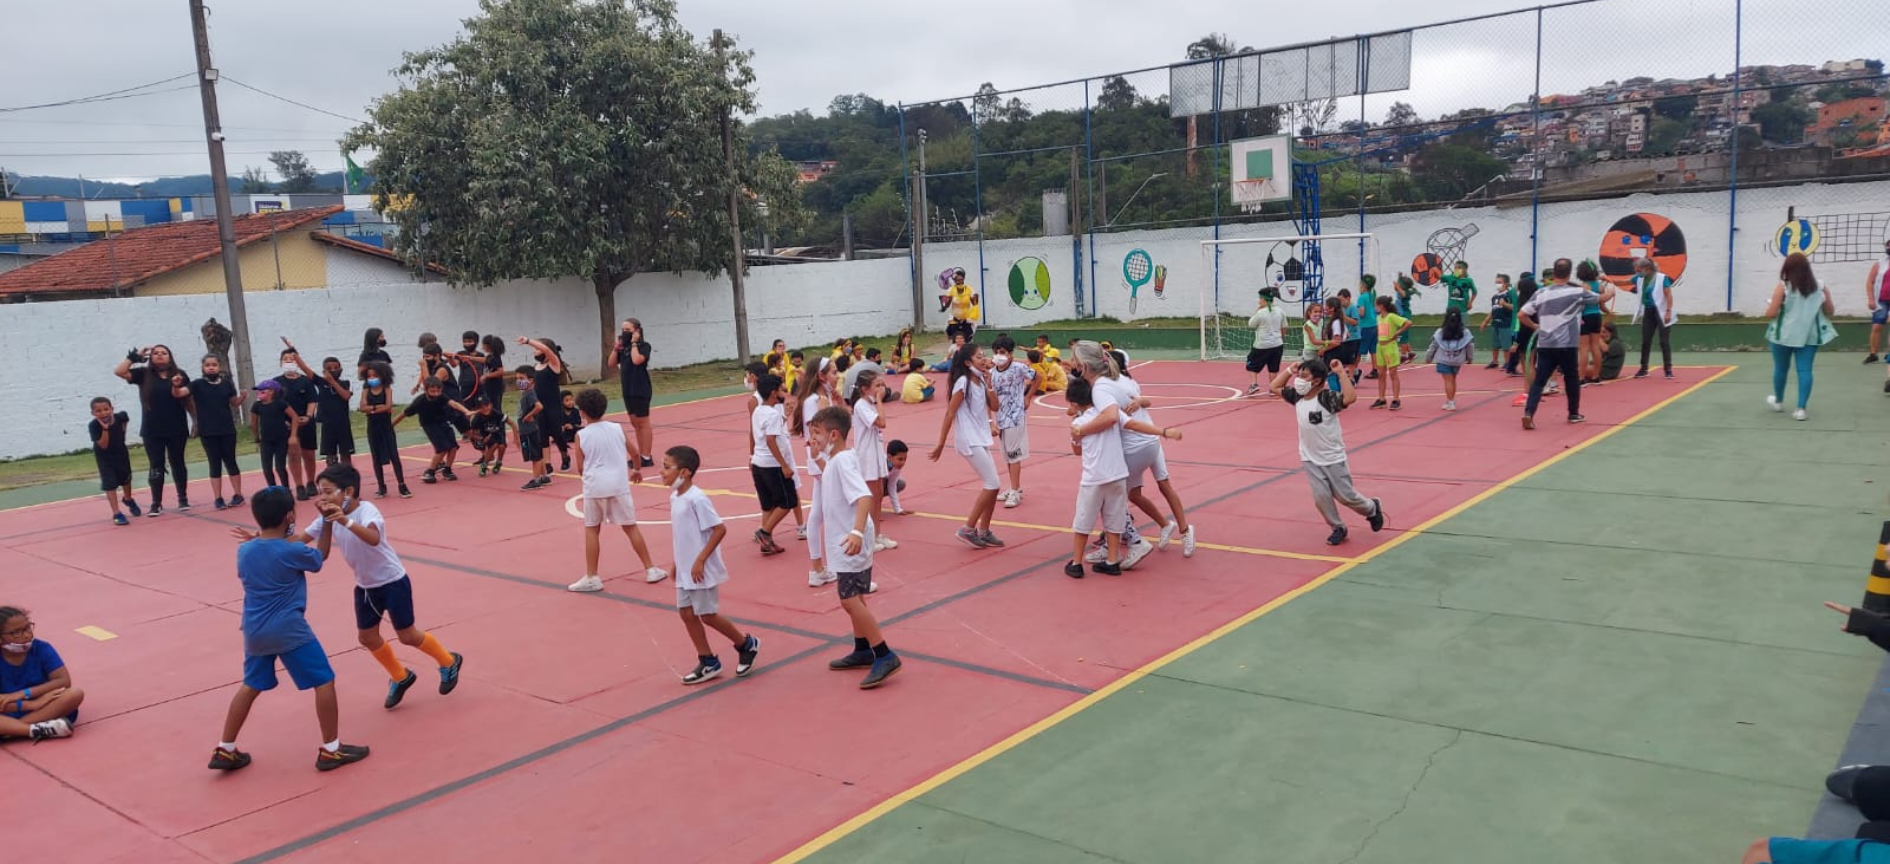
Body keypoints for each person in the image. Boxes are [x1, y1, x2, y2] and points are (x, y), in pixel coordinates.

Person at [210, 487, 369, 772]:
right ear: (290, 516)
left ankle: (226, 748)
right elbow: (319, 558)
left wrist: (260, 539)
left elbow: (269, 550)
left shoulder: (245, 550)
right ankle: (331, 749)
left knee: (250, 685)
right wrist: (328, 524)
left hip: (254, 629)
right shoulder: (292, 550)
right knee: (324, 681)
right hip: (288, 628)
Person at [300, 464, 464, 710]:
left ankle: (448, 660)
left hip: (392, 581)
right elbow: (301, 539)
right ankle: (400, 676)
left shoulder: (367, 510)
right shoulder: (327, 517)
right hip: (365, 586)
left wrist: (344, 521)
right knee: (367, 637)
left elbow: (374, 538)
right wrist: (266, 539)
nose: (322, 498)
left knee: (407, 636)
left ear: (349, 491)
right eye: (319, 492)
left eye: (327, 491)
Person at [810, 406, 901, 689]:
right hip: (847, 537)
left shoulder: (842, 462)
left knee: (849, 599)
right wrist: (818, 458)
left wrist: (857, 533)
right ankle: (862, 648)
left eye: (816, 434)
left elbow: (863, 498)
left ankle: (884, 654)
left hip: (851, 539)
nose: (811, 438)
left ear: (833, 435)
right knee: (856, 596)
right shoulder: (837, 459)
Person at [663, 446, 761, 685]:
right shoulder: (675, 497)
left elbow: (719, 529)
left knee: (707, 615)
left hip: (699, 570)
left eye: (667, 467)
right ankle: (708, 660)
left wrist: (700, 560)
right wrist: (678, 562)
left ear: (684, 472)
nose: (662, 472)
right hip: (686, 569)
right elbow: (682, 535)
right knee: (686, 613)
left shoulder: (697, 498)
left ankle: (746, 644)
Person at [1270, 359, 1386, 546]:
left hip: (1332, 458)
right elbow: (1274, 386)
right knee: (1321, 498)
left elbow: (1349, 398)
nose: (1299, 379)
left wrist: (1341, 373)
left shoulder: (1326, 398)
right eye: (1299, 375)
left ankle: (1372, 508)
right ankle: (1337, 527)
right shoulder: (1298, 396)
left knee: (1345, 496)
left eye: (1304, 375)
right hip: (1310, 458)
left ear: (1316, 381)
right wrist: (1289, 370)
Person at [567, 388, 668, 592]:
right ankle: (650, 569)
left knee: (592, 529)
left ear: (583, 412)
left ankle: (592, 577)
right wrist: (636, 470)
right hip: (618, 484)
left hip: (595, 485)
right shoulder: (616, 428)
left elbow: (580, 466)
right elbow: (635, 453)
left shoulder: (581, 435)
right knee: (630, 527)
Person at [928, 341, 1004, 549]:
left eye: (983, 356)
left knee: (994, 486)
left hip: (980, 437)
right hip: (969, 439)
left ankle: (984, 530)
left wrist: (990, 384)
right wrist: (940, 443)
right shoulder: (963, 382)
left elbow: (994, 406)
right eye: (979, 357)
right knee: (992, 484)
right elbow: (950, 413)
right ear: (968, 361)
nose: (984, 360)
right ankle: (968, 529)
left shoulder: (981, 379)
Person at [112, 344, 192, 515]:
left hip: (176, 427)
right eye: (156, 353)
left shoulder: (180, 374)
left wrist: (196, 420)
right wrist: (134, 357)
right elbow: (119, 371)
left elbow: (188, 399)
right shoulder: (143, 374)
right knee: (156, 465)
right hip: (152, 429)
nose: (160, 356)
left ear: (170, 357)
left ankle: (183, 498)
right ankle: (156, 502)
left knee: (177, 461)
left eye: (164, 353)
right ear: (151, 357)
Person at [1063, 377, 1127, 579]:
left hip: (1094, 477)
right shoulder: (1108, 414)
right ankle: (1112, 560)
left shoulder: (1079, 423)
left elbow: (1076, 450)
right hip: (1117, 473)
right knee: (1114, 519)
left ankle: (1076, 562)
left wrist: (1075, 427)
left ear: (1074, 403)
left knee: (1083, 520)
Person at [1764, 252, 1838, 421]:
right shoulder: (1820, 286)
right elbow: (1830, 311)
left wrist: (1771, 304)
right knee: (1805, 370)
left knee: (1781, 369)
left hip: (1783, 335)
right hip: (1809, 336)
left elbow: (1771, 313)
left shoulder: (1783, 287)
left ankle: (1778, 401)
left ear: (1787, 268)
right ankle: (1801, 409)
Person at [1519, 258, 1588, 430]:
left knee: (1540, 380)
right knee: (1571, 377)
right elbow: (1599, 296)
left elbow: (1521, 314)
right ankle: (1573, 413)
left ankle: (1529, 413)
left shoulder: (1541, 293)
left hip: (1546, 342)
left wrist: (1536, 326)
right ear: (1569, 273)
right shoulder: (1575, 292)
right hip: (1567, 343)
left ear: (1554, 273)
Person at [0, 605, 84, 741]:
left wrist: (24, 694)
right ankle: (33, 729)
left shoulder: (41, 648)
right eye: (16, 632)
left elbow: (63, 681)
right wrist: (29, 704)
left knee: (75, 694)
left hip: (44, 707)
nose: (26, 635)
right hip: (9, 710)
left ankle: (11, 731)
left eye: (27, 628)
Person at [747, 374, 798, 557]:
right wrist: (784, 465)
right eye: (781, 389)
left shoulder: (759, 412)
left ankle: (766, 542)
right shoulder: (772, 414)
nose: (783, 392)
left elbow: (761, 434)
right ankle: (764, 532)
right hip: (771, 465)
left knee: (768, 504)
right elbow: (770, 440)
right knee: (787, 501)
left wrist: (785, 416)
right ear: (772, 393)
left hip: (759, 463)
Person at [188, 354, 245, 509]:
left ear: (219, 367)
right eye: (208, 365)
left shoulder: (226, 384)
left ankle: (238, 494)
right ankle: (218, 498)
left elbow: (234, 403)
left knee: (231, 461)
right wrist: (175, 384)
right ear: (203, 367)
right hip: (207, 430)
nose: (211, 367)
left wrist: (243, 397)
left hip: (227, 429)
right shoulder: (197, 385)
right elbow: (181, 393)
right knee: (214, 464)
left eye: (214, 364)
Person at [392, 375, 472, 484]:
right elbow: (403, 414)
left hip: (443, 422)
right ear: (425, 390)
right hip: (430, 426)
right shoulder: (419, 401)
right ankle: (430, 472)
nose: (436, 394)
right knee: (442, 448)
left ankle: (447, 470)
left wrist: (466, 411)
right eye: (432, 391)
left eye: (438, 391)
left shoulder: (441, 396)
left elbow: (453, 403)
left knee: (453, 447)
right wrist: (390, 426)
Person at [849, 369, 896, 551]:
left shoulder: (869, 404)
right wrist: (879, 400)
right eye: (877, 386)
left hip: (876, 452)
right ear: (864, 389)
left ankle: (877, 534)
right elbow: (881, 422)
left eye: (881, 385)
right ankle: (867, 536)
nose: (881, 388)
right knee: (869, 497)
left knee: (878, 495)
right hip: (866, 456)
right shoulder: (861, 405)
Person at [989, 337, 1036, 509]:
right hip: (1001, 418)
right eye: (996, 352)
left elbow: (1038, 377)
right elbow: (990, 396)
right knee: (1007, 455)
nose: (998, 356)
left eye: (1002, 353)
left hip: (1015, 417)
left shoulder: (1018, 368)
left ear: (1010, 354)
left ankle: (1015, 491)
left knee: (1014, 455)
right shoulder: (993, 373)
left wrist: (1027, 396)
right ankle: (1012, 487)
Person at [358, 362, 410, 499]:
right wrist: (376, 408)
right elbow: (362, 407)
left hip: (386, 426)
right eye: (369, 376)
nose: (372, 378)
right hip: (372, 426)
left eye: (375, 375)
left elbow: (388, 406)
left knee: (394, 455)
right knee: (375, 457)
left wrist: (372, 408)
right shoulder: (366, 390)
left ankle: (402, 484)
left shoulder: (387, 389)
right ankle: (381, 486)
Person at [274, 346, 321, 500]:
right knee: (293, 454)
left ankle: (310, 482)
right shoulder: (276, 383)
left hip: (306, 422)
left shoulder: (306, 381)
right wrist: (284, 421)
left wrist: (308, 416)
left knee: (309, 454)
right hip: (287, 424)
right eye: (285, 359)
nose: (289, 362)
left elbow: (312, 400)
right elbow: (275, 404)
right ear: (280, 363)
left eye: (292, 359)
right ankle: (299, 485)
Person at [1621, 258, 1677, 379]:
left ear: (1647, 268)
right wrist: (1608, 279)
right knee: (1646, 341)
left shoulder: (1662, 278)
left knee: (1664, 341)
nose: (1637, 273)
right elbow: (1624, 282)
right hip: (1648, 311)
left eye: (1639, 270)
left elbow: (1668, 295)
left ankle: (1668, 369)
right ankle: (1643, 368)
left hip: (1661, 311)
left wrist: (1668, 311)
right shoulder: (1639, 278)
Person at [89, 398, 142, 525]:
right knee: (110, 483)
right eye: (98, 411)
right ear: (93, 413)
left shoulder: (120, 417)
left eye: (106, 409)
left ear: (112, 409)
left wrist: (123, 430)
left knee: (126, 478)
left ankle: (128, 499)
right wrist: (105, 429)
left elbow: (125, 418)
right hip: (105, 457)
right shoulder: (94, 425)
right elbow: (103, 445)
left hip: (121, 453)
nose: (103, 413)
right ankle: (116, 513)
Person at [612, 318, 656, 468]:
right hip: (627, 388)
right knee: (635, 422)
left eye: (628, 330)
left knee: (643, 422)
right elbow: (611, 363)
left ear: (637, 331)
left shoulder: (644, 346)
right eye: (623, 329)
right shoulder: (623, 348)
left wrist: (634, 343)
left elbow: (637, 360)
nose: (624, 333)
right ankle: (640, 453)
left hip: (640, 388)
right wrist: (616, 348)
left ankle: (646, 455)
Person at [249, 380, 298, 489]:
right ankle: (273, 489)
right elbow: (253, 423)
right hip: (266, 441)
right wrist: (257, 439)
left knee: (280, 467)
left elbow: (294, 417)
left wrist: (293, 435)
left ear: (272, 392)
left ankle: (286, 489)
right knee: (267, 468)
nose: (259, 393)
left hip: (281, 439)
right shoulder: (257, 406)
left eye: (263, 391)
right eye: (258, 391)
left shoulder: (281, 403)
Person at [1426, 308, 1475, 411]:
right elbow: (1470, 346)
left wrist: (1428, 357)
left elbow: (1433, 346)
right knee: (1453, 379)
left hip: (1444, 359)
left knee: (1448, 381)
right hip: (1457, 360)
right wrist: (1470, 358)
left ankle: (1450, 402)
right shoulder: (1465, 332)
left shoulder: (1440, 331)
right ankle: (1451, 400)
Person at [1575, 261, 1616, 384]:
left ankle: (1581, 378)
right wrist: (1608, 312)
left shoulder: (1583, 287)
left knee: (1584, 348)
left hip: (1585, 317)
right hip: (1596, 316)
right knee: (1595, 346)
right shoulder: (1599, 286)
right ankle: (1596, 376)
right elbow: (1601, 304)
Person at [513, 366, 553, 491]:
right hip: (530, 429)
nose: (518, 381)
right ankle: (544, 476)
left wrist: (529, 416)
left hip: (529, 430)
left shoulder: (530, 394)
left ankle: (536, 479)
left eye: (521, 378)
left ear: (531, 380)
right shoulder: (526, 393)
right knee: (538, 453)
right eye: (517, 378)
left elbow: (539, 406)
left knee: (534, 456)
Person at [1370, 296, 1412, 411]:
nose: (1375, 308)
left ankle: (1396, 399)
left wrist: (1397, 332)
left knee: (1393, 374)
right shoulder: (1379, 318)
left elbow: (1408, 323)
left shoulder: (1391, 317)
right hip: (1380, 346)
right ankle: (1382, 399)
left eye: (1376, 305)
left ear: (1381, 306)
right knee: (1381, 374)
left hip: (1390, 346)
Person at [1246, 286, 1288, 396]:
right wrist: (1281, 338)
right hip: (1277, 344)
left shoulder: (1261, 313)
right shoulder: (1280, 311)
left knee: (1251, 363)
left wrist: (1257, 311)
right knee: (1273, 367)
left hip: (1262, 345)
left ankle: (1254, 384)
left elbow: (1251, 324)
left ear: (1263, 299)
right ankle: (1273, 388)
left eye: (1259, 298)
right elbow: (1284, 327)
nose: (1258, 300)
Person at [1478, 274, 1515, 370]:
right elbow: (1493, 311)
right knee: (1495, 344)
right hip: (1495, 324)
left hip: (1505, 324)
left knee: (1506, 345)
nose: (1497, 284)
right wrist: (1485, 321)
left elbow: (1515, 308)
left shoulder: (1509, 295)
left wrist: (1505, 304)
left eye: (1500, 282)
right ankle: (1495, 361)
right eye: (1496, 282)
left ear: (1506, 284)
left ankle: (1507, 363)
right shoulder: (1494, 297)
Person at [1505, 271, 1539, 376]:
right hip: (1531, 333)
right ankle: (1529, 390)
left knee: (1528, 365)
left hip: (1527, 334)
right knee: (1529, 365)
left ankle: (1531, 390)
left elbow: (1523, 324)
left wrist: (1516, 342)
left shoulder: (1525, 305)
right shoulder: (1536, 301)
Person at [1866, 238, 1890, 364]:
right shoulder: (1879, 264)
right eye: (1888, 246)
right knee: (1876, 327)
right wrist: (1871, 299)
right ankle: (1873, 354)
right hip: (1881, 300)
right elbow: (1870, 282)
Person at [944, 268, 980, 344]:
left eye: (961, 279)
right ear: (954, 281)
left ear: (964, 279)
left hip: (966, 319)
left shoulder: (969, 289)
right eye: (957, 280)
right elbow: (946, 306)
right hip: (954, 319)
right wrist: (949, 300)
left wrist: (975, 299)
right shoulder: (951, 290)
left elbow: (975, 304)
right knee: (955, 341)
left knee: (967, 340)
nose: (959, 281)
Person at [1356, 276, 1382, 379]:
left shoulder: (1361, 298)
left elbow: (1361, 313)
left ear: (1363, 285)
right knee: (1373, 349)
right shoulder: (1372, 295)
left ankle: (1353, 369)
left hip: (1365, 326)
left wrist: (1355, 313)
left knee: (1359, 350)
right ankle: (1375, 369)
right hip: (1374, 324)